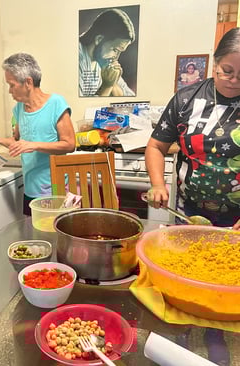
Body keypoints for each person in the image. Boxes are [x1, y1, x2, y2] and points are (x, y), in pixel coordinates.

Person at [145, 28, 240, 366]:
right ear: (215, 64)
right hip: (187, 211)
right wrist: (158, 183)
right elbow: (156, 146)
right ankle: (182, 329)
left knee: (222, 281)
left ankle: (217, 332)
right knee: (186, 277)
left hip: (235, 219)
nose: (233, 81)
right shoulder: (187, 98)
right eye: (227, 71)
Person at [0, 53, 75, 215]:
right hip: (30, 188)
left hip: (54, 190)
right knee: (34, 237)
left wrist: (33, 145)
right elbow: (17, 141)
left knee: (54, 237)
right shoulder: (19, 109)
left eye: (12, 85)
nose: (10, 91)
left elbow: (69, 144)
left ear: (28, 82)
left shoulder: (56, 103)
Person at [79, 8, 136, 97]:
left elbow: (130, 96)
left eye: (120, 52)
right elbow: (79, 104)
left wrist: (113, 83)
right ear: (99, 39)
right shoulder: (77, 57)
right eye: (115, 50)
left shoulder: (104, 62)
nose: (116, 57)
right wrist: (107, 86)